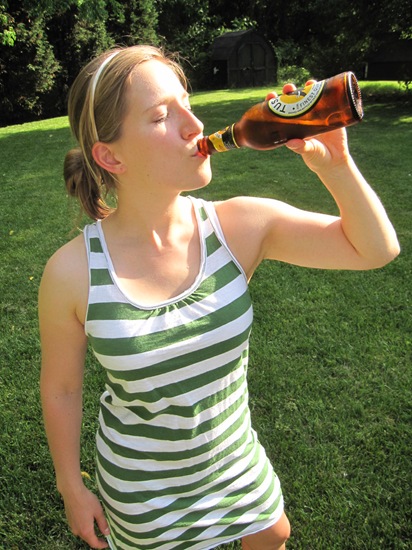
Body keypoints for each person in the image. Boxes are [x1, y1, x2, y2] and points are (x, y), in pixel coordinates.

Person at [39, 44, 399, 550]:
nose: (194, 124)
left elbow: (375, 250)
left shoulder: (237, 227)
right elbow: (61, 389)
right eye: (161, 116)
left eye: (187, 103)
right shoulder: (72, 272)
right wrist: (70, 486)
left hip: (235, 460)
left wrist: (336, 165)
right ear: (110, 156)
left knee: (273, 534)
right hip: (143, 490)